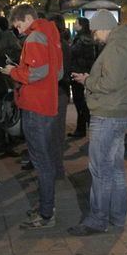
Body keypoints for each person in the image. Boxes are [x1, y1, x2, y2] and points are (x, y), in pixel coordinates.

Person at [67, 10, 127, 236]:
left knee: (100, 169)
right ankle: (118, 216)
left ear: (105, 27)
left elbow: (110, 83)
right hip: (119, 111)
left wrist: (89, 80)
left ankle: (98, 219)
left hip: (108, 113)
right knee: (115, 168)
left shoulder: (117, 47)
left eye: (97, 31)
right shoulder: (125, 44)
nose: (96, 36)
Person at [0, 4, 63, 229]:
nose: (18, 30)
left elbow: (37, 72)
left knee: (41, 162)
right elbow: (58, 72)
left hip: (36, 106)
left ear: (27, 18)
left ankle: (46, 213)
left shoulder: (35, 37)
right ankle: (47, 206)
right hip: (48, 104)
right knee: (46, 160)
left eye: (18, 24)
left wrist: (13, 72)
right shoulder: (51, 33)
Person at [49, 13, 71, 178]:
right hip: (60, 90)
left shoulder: (58, 45)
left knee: (55, 133)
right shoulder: (62, 44)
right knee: (56, 132)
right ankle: (57, 167)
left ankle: (57, 169)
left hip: (58, 91)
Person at [69, 17, 97, 137]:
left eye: (75, 23)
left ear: (80, 26)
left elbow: (73, 53)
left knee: (79, 101)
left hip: (78, 73)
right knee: (81, 100)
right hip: (86, 71)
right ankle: (81, 128)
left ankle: (85, 125)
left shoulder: (80, 40)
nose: (74, 25)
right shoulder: (89, 39)